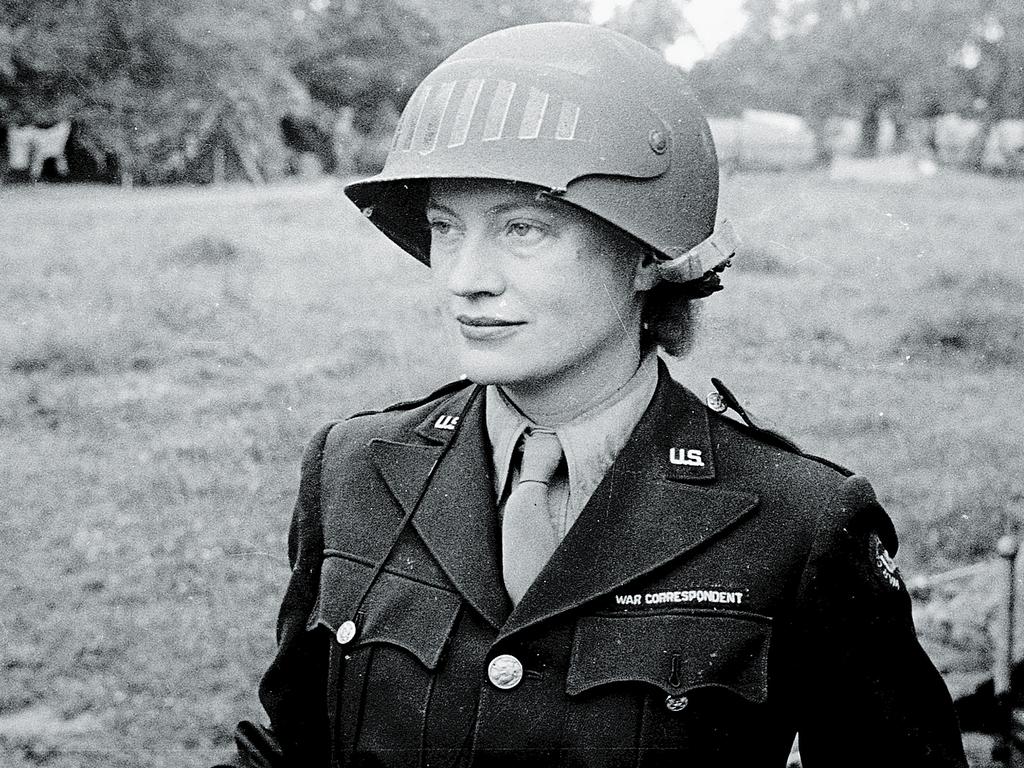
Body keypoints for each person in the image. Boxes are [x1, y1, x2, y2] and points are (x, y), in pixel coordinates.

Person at [219, 22, 968, 768]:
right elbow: (291, 748)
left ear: (644, 255)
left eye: (524, 229)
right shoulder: (353, 470)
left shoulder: (795, 522)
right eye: (447, 229)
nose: (463, 278)